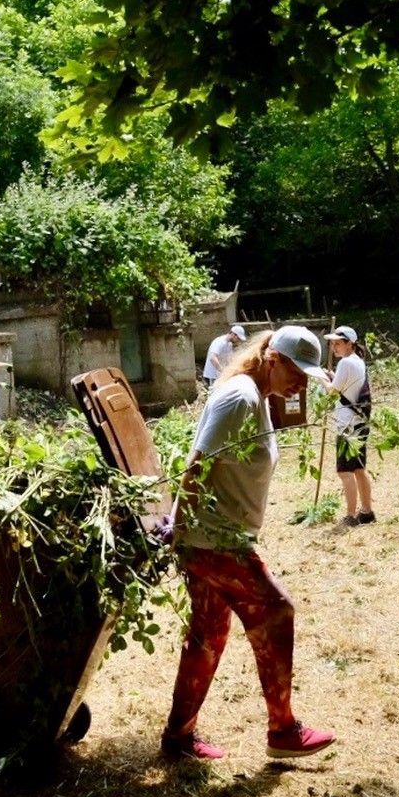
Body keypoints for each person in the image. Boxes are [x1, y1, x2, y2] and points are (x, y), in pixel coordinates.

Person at [161, 325, 336, 762]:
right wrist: (179, 529)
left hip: (214, 535)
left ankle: (178, 737)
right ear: (272, 359)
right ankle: (283, 730)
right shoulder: (240, 397)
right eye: (297, 373)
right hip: (213, 539)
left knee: (208, 633)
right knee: (276, 611)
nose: (301, 385)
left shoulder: (256, 396)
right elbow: (198, 464)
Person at [324, 325, 374, 527]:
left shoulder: (345, 363)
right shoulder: (358, 361)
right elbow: (344, 386)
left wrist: (321, 378)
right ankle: (367, 512)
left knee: (345, 471)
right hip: (359, 422)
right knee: (359, 468)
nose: (334, 347)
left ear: (349, 344)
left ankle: (351, 515)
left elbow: (333, 391)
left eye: (338, 343)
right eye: (333, 344)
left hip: (347, 425)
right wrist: (332, 377)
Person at [202, 323, 247, 389]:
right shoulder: (220, 342)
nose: (238, 341)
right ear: (233, 334)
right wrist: (222, 370)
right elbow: (212, 357)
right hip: (212, 376)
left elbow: (229, 359)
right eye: (238, 338)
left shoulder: (229, 344)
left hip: (219, 376)